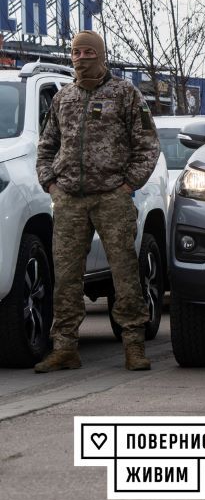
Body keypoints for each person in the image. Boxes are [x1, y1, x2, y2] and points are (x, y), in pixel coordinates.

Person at [33, 31, 162, 372]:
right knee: (66, 276)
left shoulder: (125, 94)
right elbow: (46, 146)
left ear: (101, 55)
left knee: (124, 272)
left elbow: (148, 144)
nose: (81, 57)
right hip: (71, 200)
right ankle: (64, 348)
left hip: (112, 198)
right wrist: (51, 183)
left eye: (89, 51)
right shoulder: (63, 98)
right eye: (76, 52)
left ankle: (133, 344)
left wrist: (128, 184)